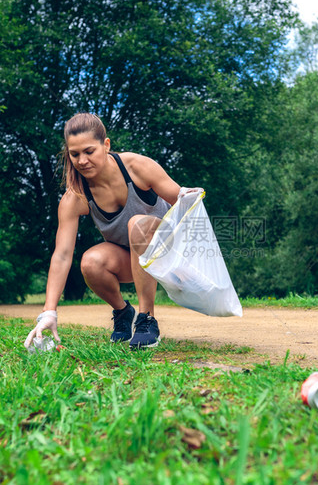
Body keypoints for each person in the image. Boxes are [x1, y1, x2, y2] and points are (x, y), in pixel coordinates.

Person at [23, 113, 199, 350]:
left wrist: (191, 260)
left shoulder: (137, 167)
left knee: (137, 223)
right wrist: (49, 312)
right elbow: (62, 255)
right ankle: (123, 313)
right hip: (133, 261)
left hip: (169, 252)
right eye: (74, 154)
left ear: (106, 145)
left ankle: (147, 320)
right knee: (90, 262)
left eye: (89, 151)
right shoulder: (75, 197)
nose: (82, 160)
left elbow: (184, 208)